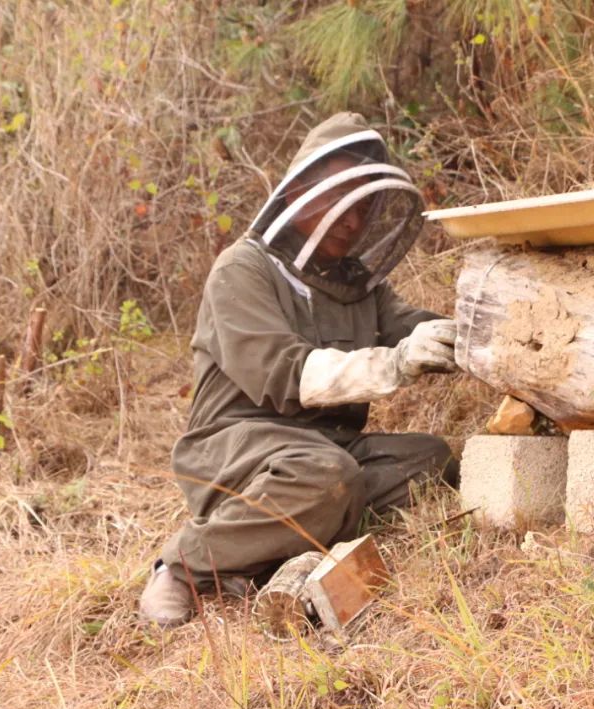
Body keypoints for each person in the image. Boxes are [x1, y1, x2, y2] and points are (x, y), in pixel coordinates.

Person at [139, 112, 460, 628]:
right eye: (338, 200)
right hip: (235, 447)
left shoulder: (357, 285)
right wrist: (396, 363)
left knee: (431, 460)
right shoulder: (242, 269)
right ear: (295, 195)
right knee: (326, 478)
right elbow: (284, 373)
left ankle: (270, 549)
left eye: (363, 206)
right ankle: (183, 566)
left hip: (328, 450)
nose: (352, 221)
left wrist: (479, 330)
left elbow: (410, 326)